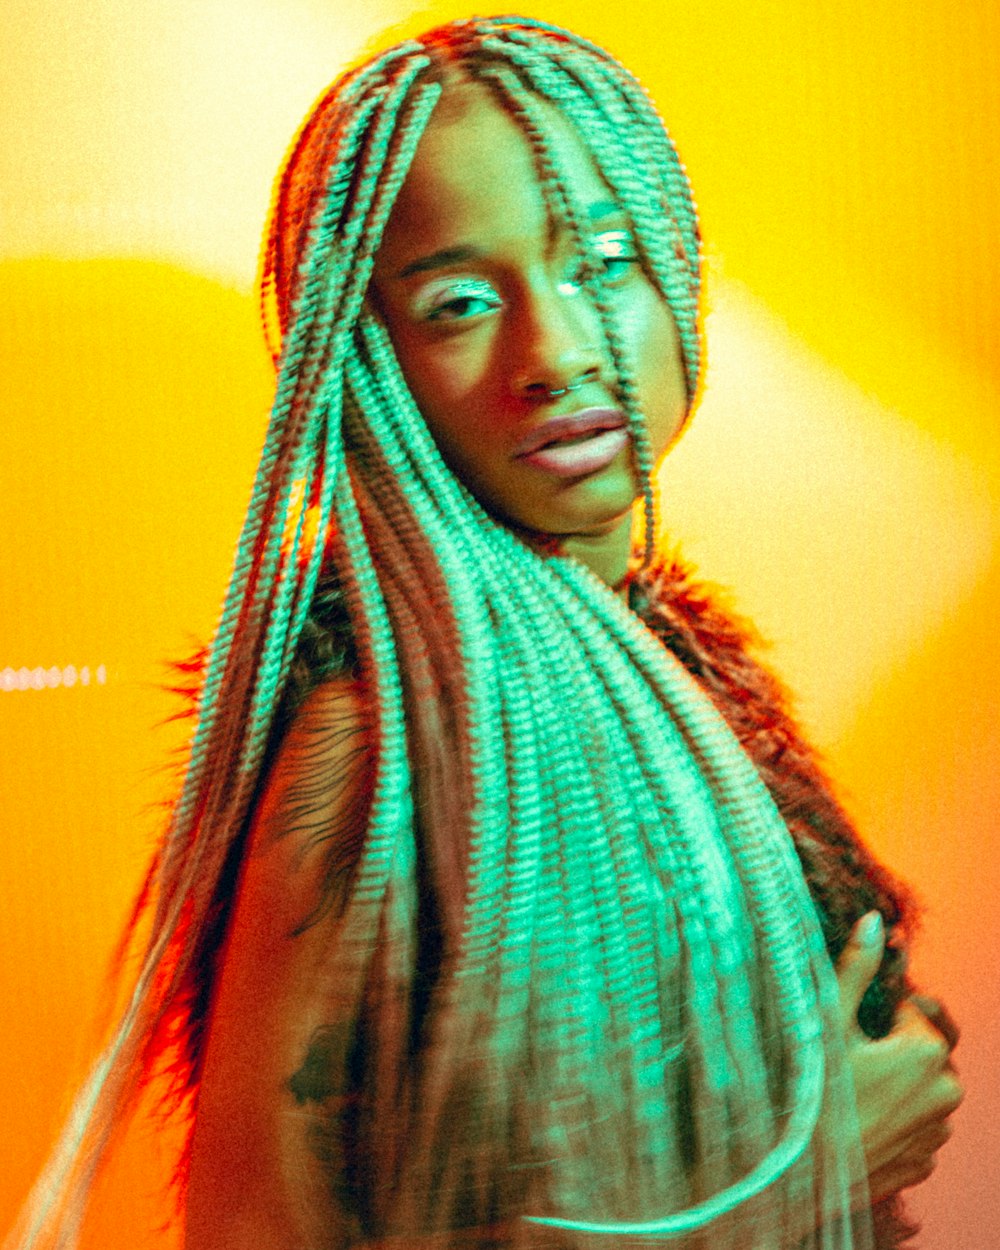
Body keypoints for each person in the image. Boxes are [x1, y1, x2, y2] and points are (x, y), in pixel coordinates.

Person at [8, 16, 962, 1250]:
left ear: (684, 260)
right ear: (366, 361)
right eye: (458, 302)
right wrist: (788, 1185)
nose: (556, 352)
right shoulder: (383, 749)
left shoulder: (664, 681)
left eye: (602, 259)